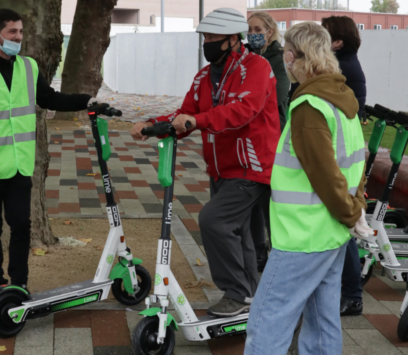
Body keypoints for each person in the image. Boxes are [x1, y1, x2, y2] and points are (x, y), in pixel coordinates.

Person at [130, 8, 280, 317]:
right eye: (205, 37)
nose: (206, 43)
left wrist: (195, 120)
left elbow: (243, 111)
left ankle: (236, 293)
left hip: (252, 166)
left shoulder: (257, 67)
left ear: (232, 39)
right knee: (238, 231)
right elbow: (185, 113)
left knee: (215, 221)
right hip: (221, 167)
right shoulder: (204, 77)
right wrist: (153, 124)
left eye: (212, 37)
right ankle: (248, 295)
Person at [245, 22, 369, 354]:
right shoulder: (342, 98)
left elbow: (324, 175)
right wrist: (354, 211)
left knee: (266, 319)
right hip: (330, 234)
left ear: (291, 56)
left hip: (303, 235)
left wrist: (350, 212)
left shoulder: (309, 106)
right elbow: (356, 160)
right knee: (322, 320)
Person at [0, 9, 94, 289]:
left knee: (21, 225)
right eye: (12, 32)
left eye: (20, 32)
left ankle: (19, 285)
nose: (18, 37)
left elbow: (49, 99)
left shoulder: (28, 67)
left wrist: (88, 102)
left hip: (19, 165)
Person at [322, 15, 368, 317]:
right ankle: (348, 290)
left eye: (325, 35)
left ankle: (352, 295)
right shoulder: (345, 64)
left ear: (337, 42)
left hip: (343, 154)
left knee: (344, 224)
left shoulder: (343, 68)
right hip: (345, 151)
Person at [246, 11, 291, 271]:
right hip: (253, 140)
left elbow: (272, 99)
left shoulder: (279, 60)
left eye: (257, 29)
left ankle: (278, 254)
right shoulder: (251, 58)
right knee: (252, 199)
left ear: (270, 32)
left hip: (274, 140)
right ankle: (259, 252)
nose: (252, 34)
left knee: (271, 203)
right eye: (249, 29)